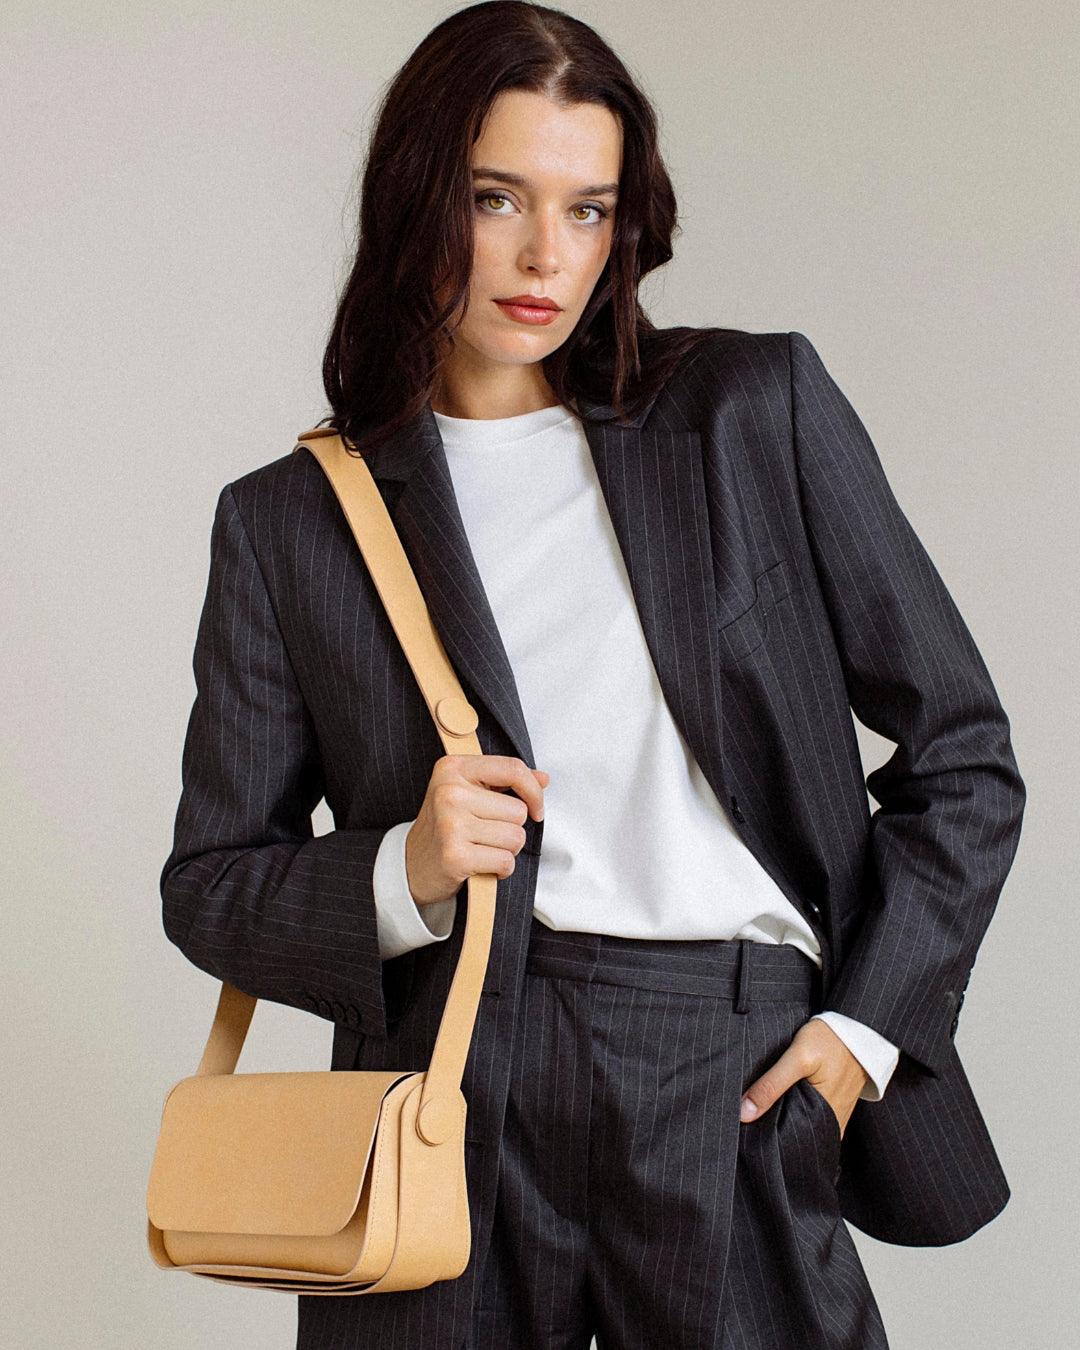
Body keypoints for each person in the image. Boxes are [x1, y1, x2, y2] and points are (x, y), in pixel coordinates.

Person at [160, 4, 1026, 1348]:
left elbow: (964, 756)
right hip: (452, 1080)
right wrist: (402, 870)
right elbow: (210, 884)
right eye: (496, 198)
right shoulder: (291, 520)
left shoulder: (749, 413)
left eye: (588, 210)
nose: (543, 256)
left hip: (731, 1070)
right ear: (416, 199)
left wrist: (861, 1033)